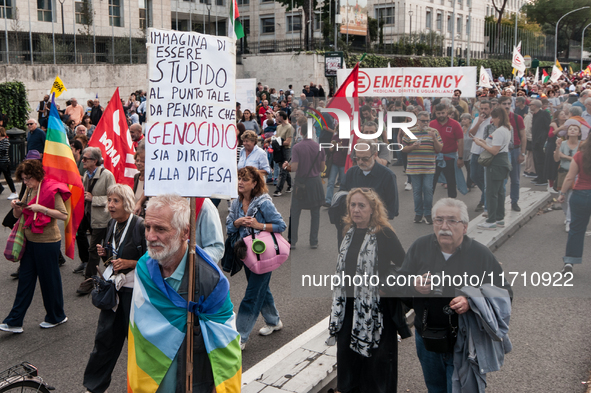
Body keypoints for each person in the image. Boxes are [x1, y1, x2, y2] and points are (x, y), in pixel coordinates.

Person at [127, 194, 241, 392]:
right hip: (148, 378)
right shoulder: (144, 267)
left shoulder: (210, 280)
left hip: (191, 380)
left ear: (185, 232)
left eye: (160, 229)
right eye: (147, 227)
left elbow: (226, 344)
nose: (150, 236)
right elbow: (138, 327)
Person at [398, 198, 512, 393]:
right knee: (436, 389)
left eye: (452, 220)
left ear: (465, 227)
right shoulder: (420, 247)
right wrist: (413, 286)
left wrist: (471, 301)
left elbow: (505, 294)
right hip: (427, 339)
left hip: (465, 340)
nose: (444, 226)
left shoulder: (480, 254)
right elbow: (399, 286)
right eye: (439, 220)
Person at [327, 188, 409, 393]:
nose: (356, 210)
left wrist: (386, 287)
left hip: (375, 311)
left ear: (373, 209)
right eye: (352, 205)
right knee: (348, 362)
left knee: (376, 368)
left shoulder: (384, 233)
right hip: (348, 308)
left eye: (361, 205)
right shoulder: (349, 232)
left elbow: (405, 266)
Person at [82, 184, 146, 393]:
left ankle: (143, 387)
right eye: (109, 200)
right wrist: (104, 254)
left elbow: (152, 261)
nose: (110, 205)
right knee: (105, 338)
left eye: (115, 201)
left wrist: (129, 263)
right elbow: (112, 259)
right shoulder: (112, 224)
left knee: (138, 344)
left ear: (127, 202)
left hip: (134, 293)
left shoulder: (140, 226)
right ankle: (94, 386)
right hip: (113, 290)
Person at [0, 159, 70, 334]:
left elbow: (63, 215)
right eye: (23, 179)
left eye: (28, 178)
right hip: (30, 241)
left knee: (49, 282)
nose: (26, 182)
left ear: (37, 175)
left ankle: (57, 316)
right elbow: (19, 214)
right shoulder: (31, 189)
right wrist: (15, 207)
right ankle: (14, 321)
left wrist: (42, 209)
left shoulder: (52, 189)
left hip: (47, 242)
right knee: (25, 280)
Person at [226, 166, 287, 350]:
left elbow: (280, 225)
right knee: (262, 289)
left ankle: (241, 337)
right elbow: (229, 226)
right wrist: (237, 222)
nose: (240, 182)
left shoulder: (264, 203)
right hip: (247, 254)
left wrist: (259, 225)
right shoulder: (236, 203)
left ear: (254, 183)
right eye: (239, 178)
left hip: (264, 254)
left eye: (245, 179)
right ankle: (274, 320)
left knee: (252, 295)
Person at [74, 147, 116, 295]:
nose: (83, 160)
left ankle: (90, 281)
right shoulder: (87, 174)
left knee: (95, 250)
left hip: (102, 219)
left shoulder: (107, 175)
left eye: (86, 159)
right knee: (101, 250)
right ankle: (111, 275)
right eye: (83, 158)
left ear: (95, 161)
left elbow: (114, 198)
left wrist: (94, 199)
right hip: (89, 217)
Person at [473, 107, 513, 230]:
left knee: (491, 192)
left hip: (496, 162)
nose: (492, 120)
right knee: (500, 191)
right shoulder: (506, 129)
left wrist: (481, 144)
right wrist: (484, 141)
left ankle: (491, 220)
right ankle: (499, 218)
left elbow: (494, 151)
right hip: (503, 160)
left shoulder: (500, 131)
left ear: (498, 118)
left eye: (493, 118)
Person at [557, 136, 591, 275]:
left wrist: (562, 193)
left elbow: (570, 177)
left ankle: (569, 262)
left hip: (580, 194)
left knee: (576, 229)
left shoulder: (579, 155)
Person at [288, 123, 325, 249]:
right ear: (313, 132)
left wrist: (286, 167)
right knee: (315, 212)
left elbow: (294, 168)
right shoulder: (319, 147)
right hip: (315, 182)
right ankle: (313, 241)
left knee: (295, 211)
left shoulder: (297, 147)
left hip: (301, 182)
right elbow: (322, 168)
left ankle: (292, 241)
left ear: (301, 132)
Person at [402, 111, 443, 224]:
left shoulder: (434, 132)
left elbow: (439, 149)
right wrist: (412, 147)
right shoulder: (410, 132)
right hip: (414, 167)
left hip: (429, 167)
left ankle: (428, 214)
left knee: (428, 190)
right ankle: (418, 214)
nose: (425, 123)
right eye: (423, 120)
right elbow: (403, 149)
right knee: (417, 191)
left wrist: (434, 139)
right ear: (418, 121)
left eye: (427, 120)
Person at [429, 104, 464, 198]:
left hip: (450, 157)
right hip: (435, 158)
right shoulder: (431, 124)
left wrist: (460, 158)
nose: (441, 115)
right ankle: (427, 205)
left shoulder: (455, 124)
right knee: (431, 182)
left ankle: (452, 203)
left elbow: (460, 141)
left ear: (447, 112)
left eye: (443, 113)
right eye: (438, 113)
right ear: (435, 113)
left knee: (451, 182)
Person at [498, 96, 526, 211]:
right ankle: (500, 204)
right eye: (504, 103)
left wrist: (522, 153)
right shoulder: (496, 118)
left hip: (515, 150)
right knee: (502, 179)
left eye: (509, 103)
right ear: (499, 105)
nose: (507, 106)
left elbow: (523, 136)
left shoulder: (517, 118)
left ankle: (514, 202)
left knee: (515, 179)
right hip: (501, 151)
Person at [554, 123, 582, 232]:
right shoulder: (562, 144)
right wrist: (557, 148)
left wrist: (565, 156)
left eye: (575, 129)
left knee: (571, 198)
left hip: (576, 174)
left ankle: (570, 221)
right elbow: (556, 159)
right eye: (571, 129)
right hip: (563, 172)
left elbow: (580, 159)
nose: (573, 131)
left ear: (579, 133)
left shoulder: (582, 145)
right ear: (567, 132)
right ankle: (567, 216)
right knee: (562, 197)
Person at [265, 111, 293, 197]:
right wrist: (268, 139)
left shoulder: (289, 128)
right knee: (283, 168)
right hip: (279, 149)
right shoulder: (279, 127)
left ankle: (278, 189)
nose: (276, 118)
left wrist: (276, 142)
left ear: (282, 117)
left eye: (277, 116)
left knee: (283, 169)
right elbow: (277, 136)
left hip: (286, 150)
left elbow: (287, 142)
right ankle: (291, 185)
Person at [530, 99, 552, 186]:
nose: (530, 106)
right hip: (535, 140)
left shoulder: (544, 114)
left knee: (541, 160)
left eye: (531, 105)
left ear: (535, 106)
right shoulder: (534, 115)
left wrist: (544, 138)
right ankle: (539, 175)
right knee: (536, 159)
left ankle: (543, 178)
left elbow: (548, 126)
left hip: (541, 141)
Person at [0, 127, 18, 199]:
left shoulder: (5, 140)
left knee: (8, 178)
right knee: (8, 178)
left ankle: (14, 192)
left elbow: (3, 151)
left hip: (4, 163)